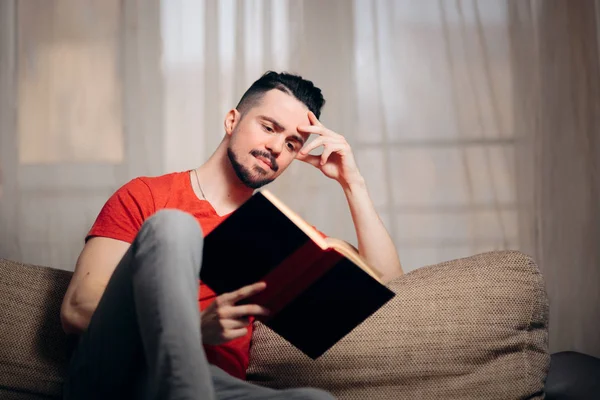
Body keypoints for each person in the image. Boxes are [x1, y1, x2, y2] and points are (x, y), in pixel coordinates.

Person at [60, 71, 403, 400]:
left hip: (214, 386)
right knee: (175, 227)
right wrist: (193, 328)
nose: (276, 147)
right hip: (120, 375)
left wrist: (351, 182)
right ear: (232, 120)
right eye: (269, 127)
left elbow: (391, 282)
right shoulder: (145, 195)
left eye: (291, 143)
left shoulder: (274, 236)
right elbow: (77, 310)